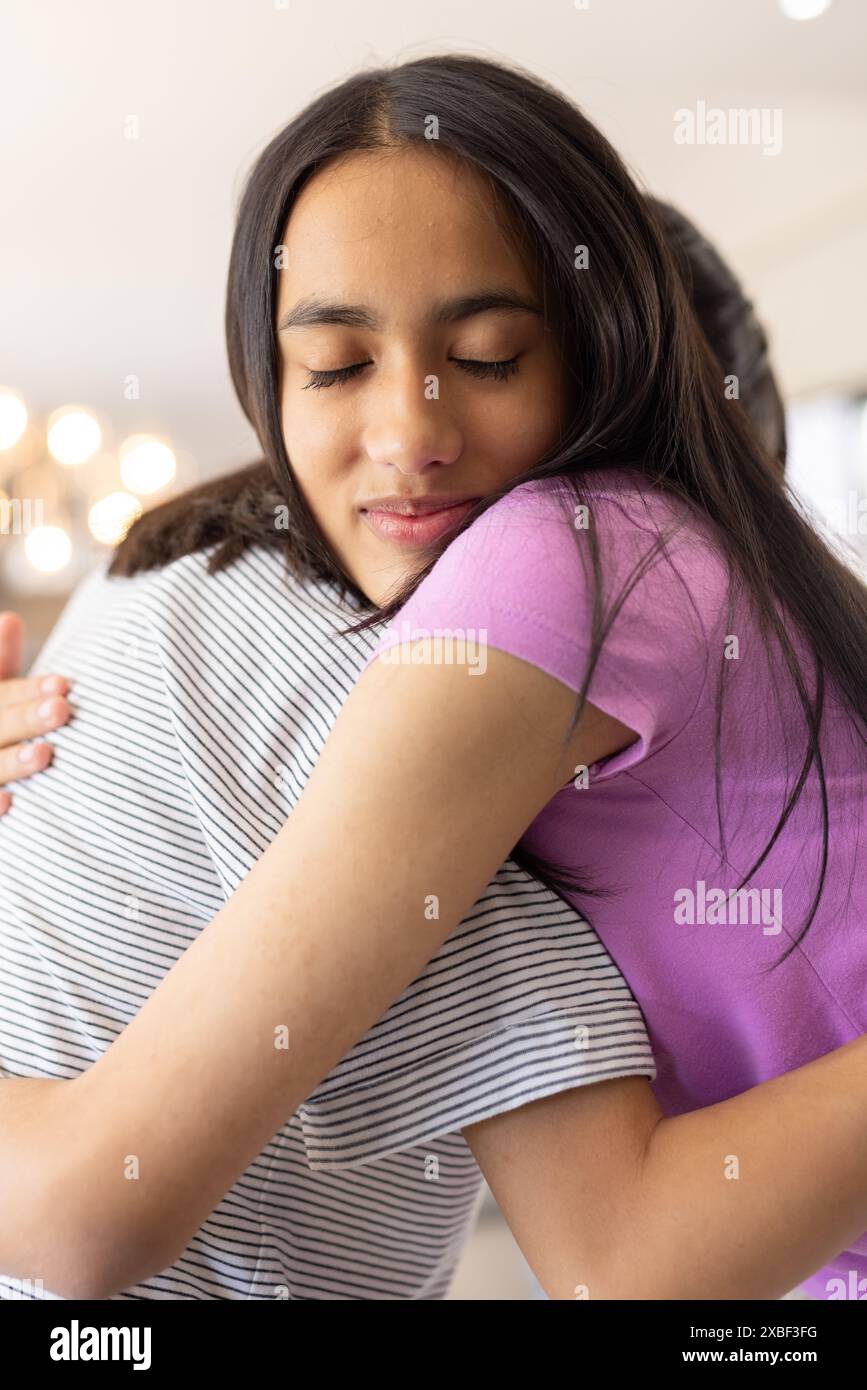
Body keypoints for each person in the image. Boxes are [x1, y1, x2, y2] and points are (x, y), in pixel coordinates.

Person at [1, 54, 866, 1304]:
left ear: (597, 356)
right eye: (340, 368)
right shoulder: (578, 580)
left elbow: (92, 1212)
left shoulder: (545, 567)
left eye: (490, 354)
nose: (411, 434)